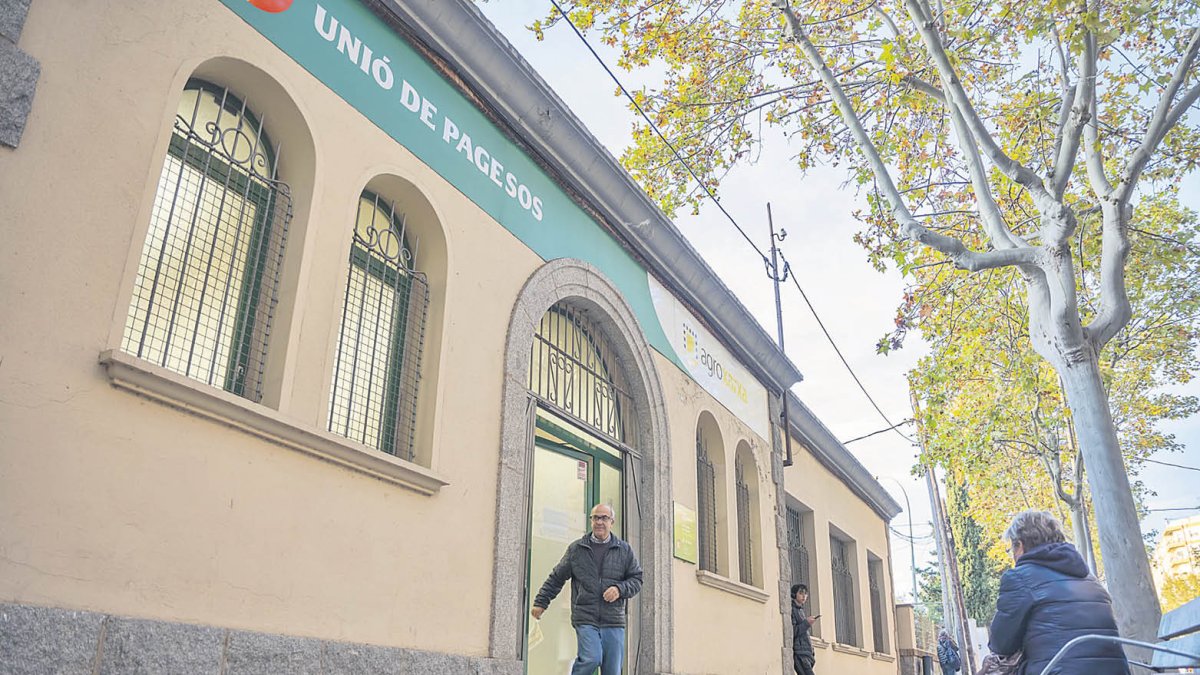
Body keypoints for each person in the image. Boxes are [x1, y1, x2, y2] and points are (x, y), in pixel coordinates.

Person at [989, 510, 1130, 675]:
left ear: (1019, 545)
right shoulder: (1089, 579)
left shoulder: (1019, 577)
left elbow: (1001, 644)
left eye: (1012, 548)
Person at [532, 503, 643, 675]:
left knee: (612, 671)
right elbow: (556, 577)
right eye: (596, 518)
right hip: (585, 617)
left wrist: (620, 589)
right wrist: (541, 602)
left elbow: (637, 579)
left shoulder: (624, 550)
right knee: (591, 658)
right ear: (591, 521)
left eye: (604, 518)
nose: (599, 522)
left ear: (611, 521)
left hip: (613, 620)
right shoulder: (577, 549)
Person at [790, 583, 818, 675]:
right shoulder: (792, 609)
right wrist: (807, 623)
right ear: (794, 594)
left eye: (805, 594)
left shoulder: (800, 610)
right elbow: (792, 632)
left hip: (807, 653)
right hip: (800, 653)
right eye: (801, 593)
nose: (804, 596)